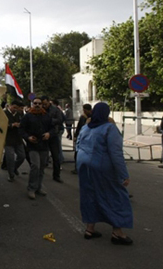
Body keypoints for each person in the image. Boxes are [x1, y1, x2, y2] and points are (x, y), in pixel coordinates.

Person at [76, 102, 133, 245]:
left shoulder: (86, 127)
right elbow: (116, 154)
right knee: (115, 195)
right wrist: (123, 174)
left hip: (84, 165)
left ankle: (90, 228)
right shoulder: (109, 128)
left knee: (89, 195)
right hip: (101, 166)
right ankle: (117, 232)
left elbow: (78, 145)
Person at [19, 97, 55, 199]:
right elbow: (21, 130)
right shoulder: (27, 117)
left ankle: (38, 187)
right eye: (35, 103)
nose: (38, 105)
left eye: (40, 103)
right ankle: (31, 188)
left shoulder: (46, 116)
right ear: (32, 104)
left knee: (42, 167)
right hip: (32, 146)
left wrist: (49, 134)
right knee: (35, 166)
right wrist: (28, 137)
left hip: (44, 146)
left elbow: (53, 129)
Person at [41, 96, 64, 183]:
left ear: (49, 102)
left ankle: (56, 175)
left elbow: (60, 120)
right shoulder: (40, 109)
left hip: (53, 135)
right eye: (42, 104)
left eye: (45, 104)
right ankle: (40, 174)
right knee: (42, 157)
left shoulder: (55, 110)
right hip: (43, 135)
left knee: (56, 156)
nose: (44, 106)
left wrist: (49, 120)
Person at [3, 100, 26, 181]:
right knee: (10, 158)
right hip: (8, 139)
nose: (15, 109)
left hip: (18, 139)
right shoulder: (4, 113)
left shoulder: (19, 114)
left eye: (17, 108)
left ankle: (14, 168)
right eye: (14, 107)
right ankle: (11, 175)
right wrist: (11, 125)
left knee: (22, 156)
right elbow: (1, 125)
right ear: (10, 106)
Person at [71, 104, 92, 174]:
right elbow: (79, 127)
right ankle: (77, 168)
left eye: (84, 110)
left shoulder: (91, 117)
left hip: (87, 138)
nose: (84, 111)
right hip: (81, 137)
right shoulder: (83, 117)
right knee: (77, 153)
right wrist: (75, 136)